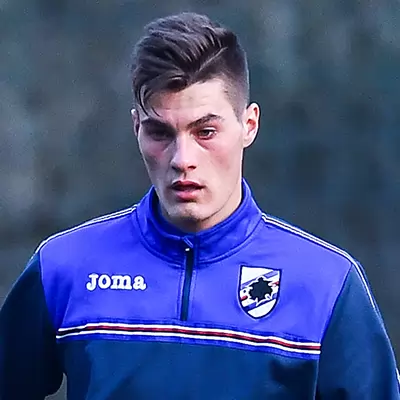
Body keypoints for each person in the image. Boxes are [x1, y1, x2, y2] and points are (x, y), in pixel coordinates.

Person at [0, 11, 399, 400]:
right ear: (137, 128)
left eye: (205, 131)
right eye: (160, 133)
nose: (182, 159)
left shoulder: (327, 284)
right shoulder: (64, 267)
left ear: (249, 125)